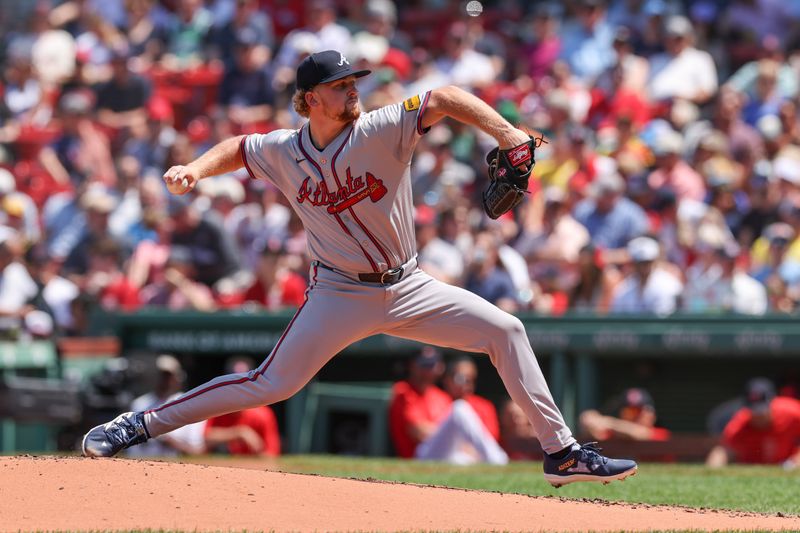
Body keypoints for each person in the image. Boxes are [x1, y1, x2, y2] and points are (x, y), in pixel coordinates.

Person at [82, 50, 637, 487]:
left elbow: (443, 97)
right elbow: (241, 147)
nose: (353, 91)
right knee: (271, 384)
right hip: (338, 294)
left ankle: (561, 454)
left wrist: (510, 135)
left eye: (354, 83)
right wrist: (195, 170)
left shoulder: (379, 128)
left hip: (410, 285)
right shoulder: (283, 150)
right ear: (308, 100)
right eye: (341, 85)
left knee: (506, 330)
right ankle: (137, 424)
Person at [706, 378, 800, 469]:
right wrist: (713, 471)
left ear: (772, 401)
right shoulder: (739, 424)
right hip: (753, 469)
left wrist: (793, 462)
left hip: (788, 466)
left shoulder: (793, 411)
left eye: (762, 410)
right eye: (753, 411)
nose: (758, 416)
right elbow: (723, 451)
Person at [127, 355, 207, 457]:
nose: (163, 380)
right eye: (160, 375)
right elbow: (130, 448)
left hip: (174, 467)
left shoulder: (189, 404)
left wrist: (170, 441)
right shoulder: (139, 403)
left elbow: (198, 450)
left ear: (178, 377)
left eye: (167, 375)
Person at [204, 357, 281, 457]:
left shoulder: (262, 414)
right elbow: (203, 439)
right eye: (234, 379)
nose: (239, 385)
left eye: (244, 381)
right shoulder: (217, 408)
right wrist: (238, 433)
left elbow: (271, 454)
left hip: (252, 469)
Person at [580, 388, 671, 442]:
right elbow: (590, 424)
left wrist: (608, 422)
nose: (636, 416)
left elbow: (641, 433)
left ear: (652, 415)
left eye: (639, 411)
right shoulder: (615, 434)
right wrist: (591, 421)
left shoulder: (661, 433)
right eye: (630, 412)